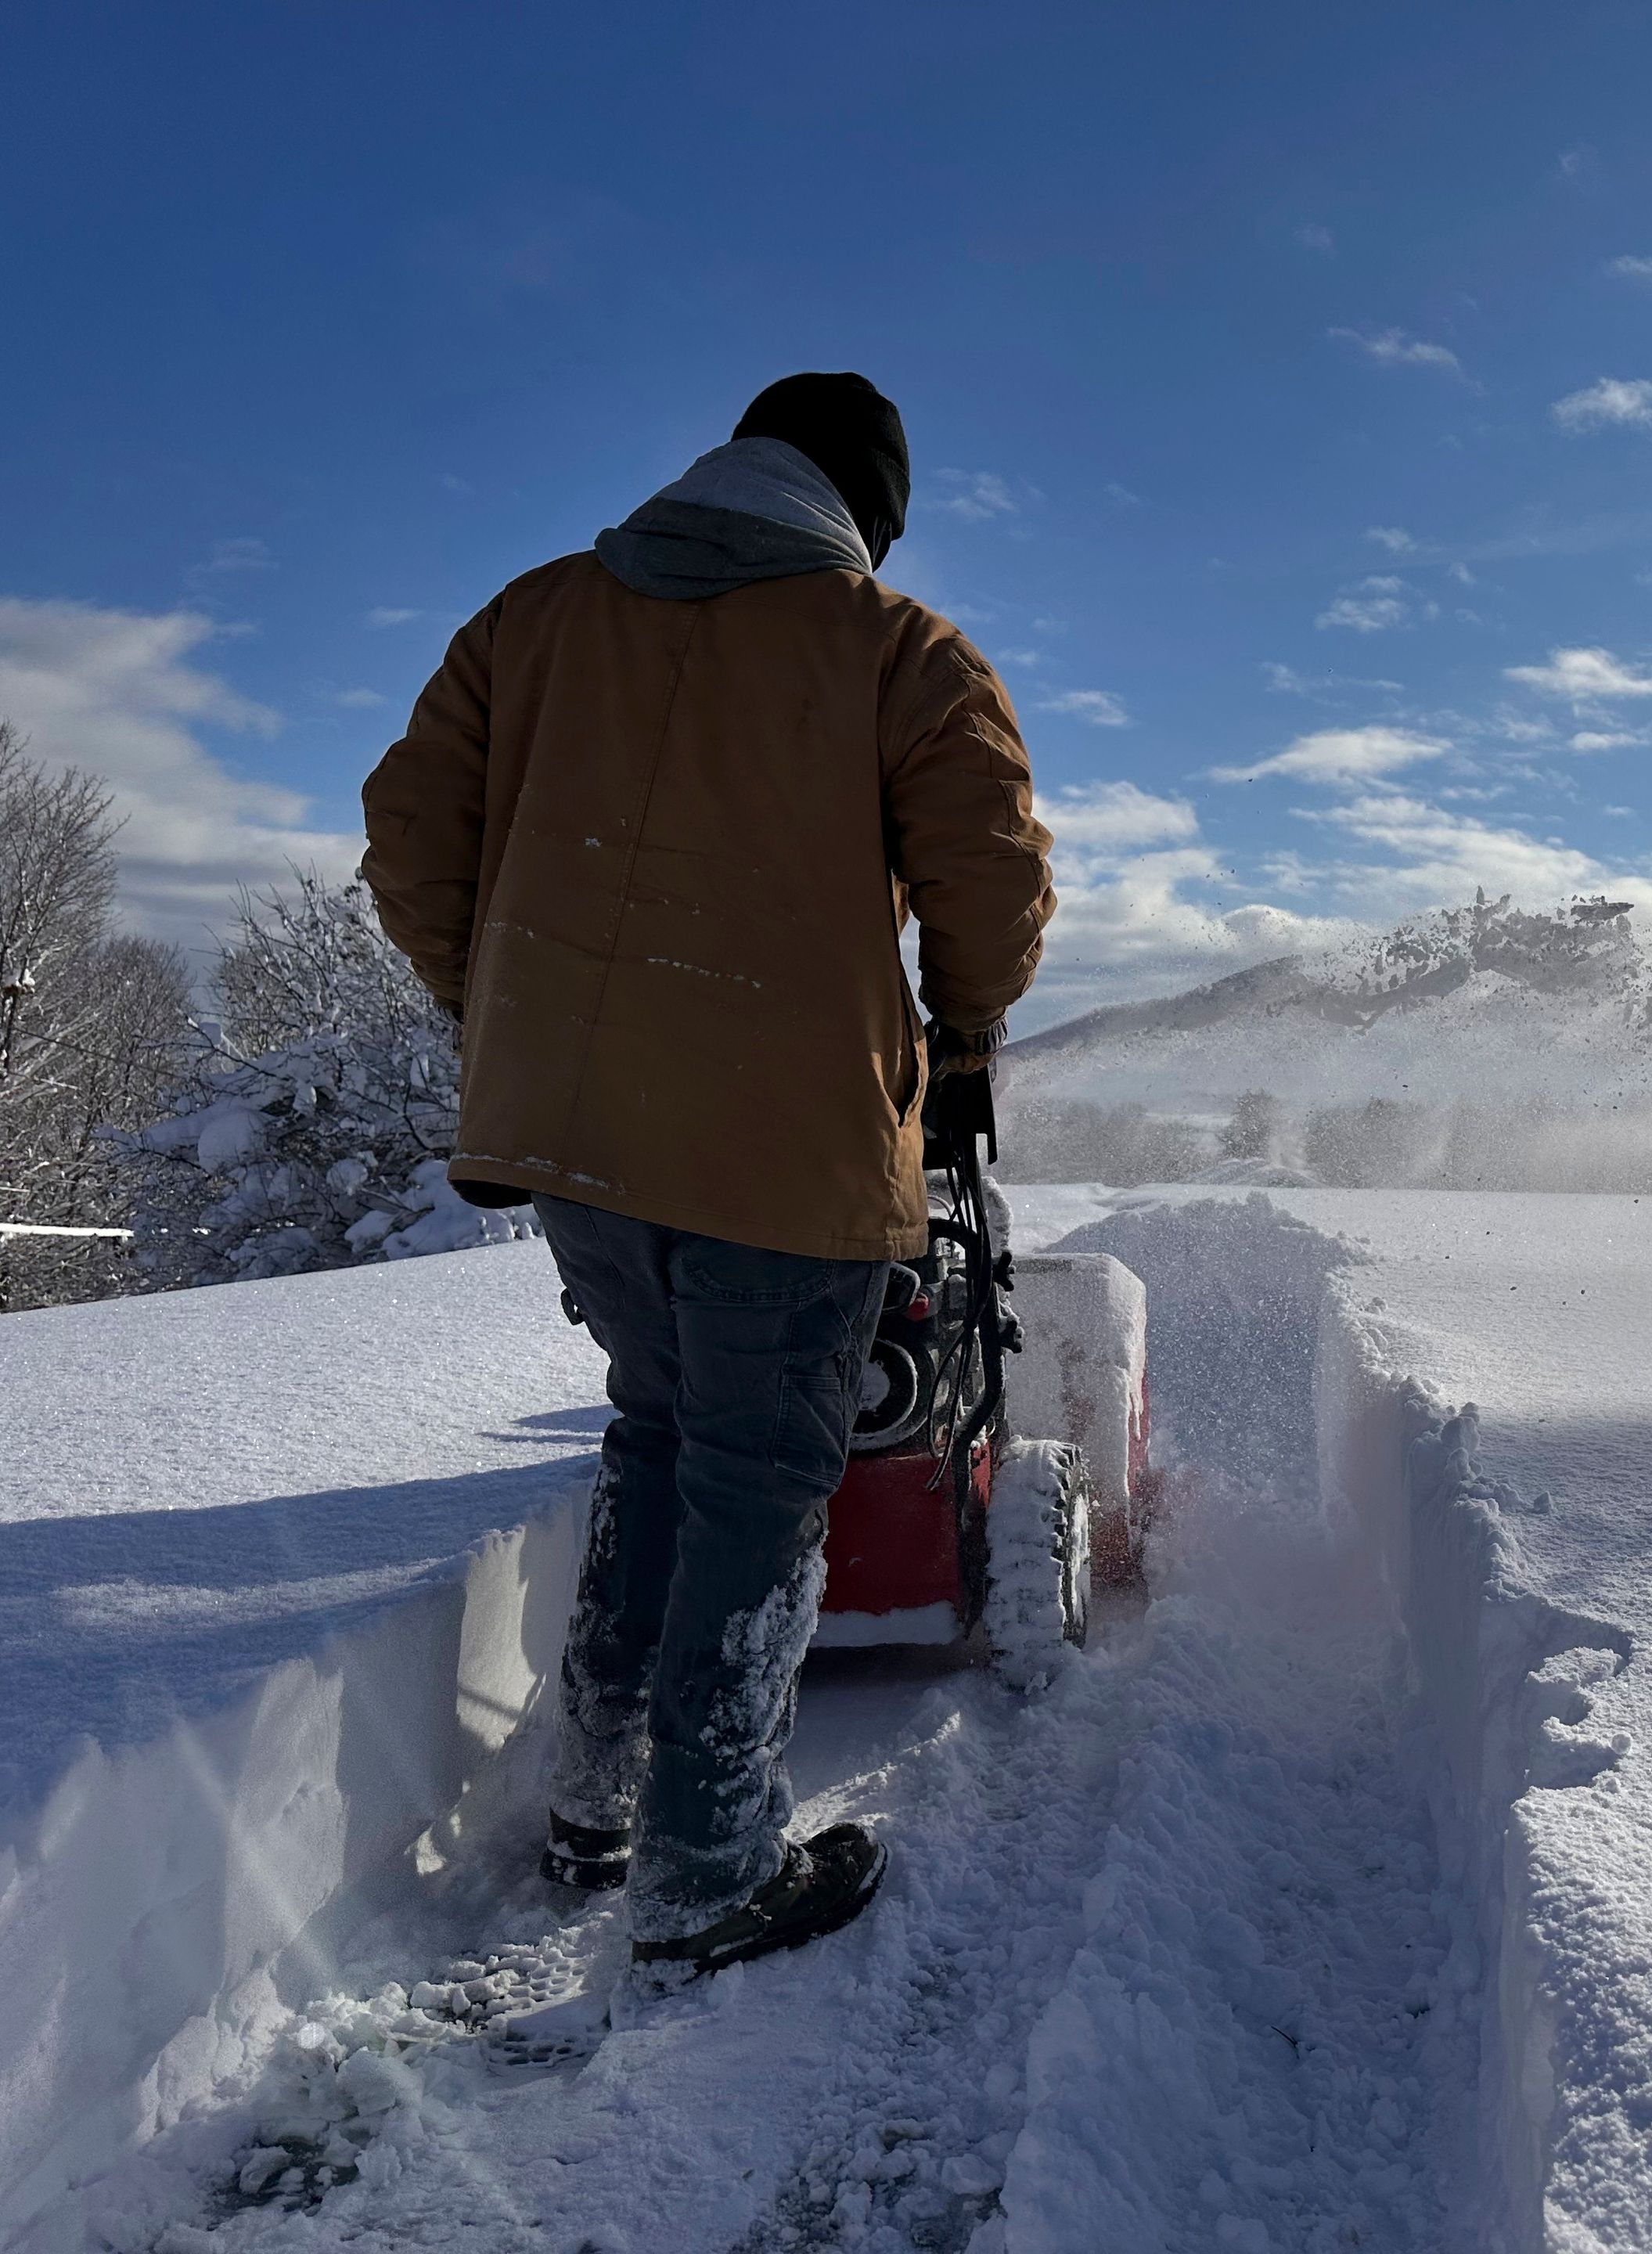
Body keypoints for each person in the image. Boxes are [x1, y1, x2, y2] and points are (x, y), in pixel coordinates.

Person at [360, 373, 1056, 1982]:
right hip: (787, 1145)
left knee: (661, 1434)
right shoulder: (896, 651)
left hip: (580, 1147)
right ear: (860, 512)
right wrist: (962, 1036)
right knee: (755, 1476)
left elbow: (411, 833)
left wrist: (502, 1008)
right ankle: (707, 1868)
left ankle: (597, 1802)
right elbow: (991, 876)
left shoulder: (531, 619)